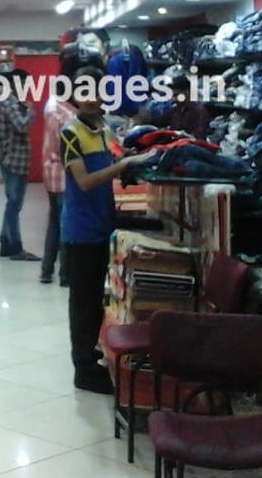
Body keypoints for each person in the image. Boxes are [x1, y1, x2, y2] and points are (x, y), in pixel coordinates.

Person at [60, 67, 153, 393]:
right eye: (83, 91)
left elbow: (114, 160)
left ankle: (91, 355)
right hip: (82, 229)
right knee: (83, 302)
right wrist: (123, 166)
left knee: (96, 299)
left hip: (102, 224)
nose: (90, 98)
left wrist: (130, 158)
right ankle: (83, 369)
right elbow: (84, 181)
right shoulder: (70, 133)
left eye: (96, 91)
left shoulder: (104, 128)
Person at [0, 69, 39, 260]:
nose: (25, 87)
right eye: (22, 83)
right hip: (14, 159)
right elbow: (21, 125)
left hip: (13, 158)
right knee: (14, 204)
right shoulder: (10, 102)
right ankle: (14, 247)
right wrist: (30, 110)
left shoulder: (7, 100)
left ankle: (5, 243)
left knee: (13, 204)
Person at [40, 80, 76, 285]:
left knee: (54, 223)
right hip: (63, 175)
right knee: (66, 226)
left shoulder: (51, 105)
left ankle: (46, 270)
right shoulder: (67, 116)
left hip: (50, 171)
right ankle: (65, 274)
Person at [164, 74, 209, 139]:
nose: (173, 99)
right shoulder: (174, 110)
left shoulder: (199, 111)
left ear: (187, 92)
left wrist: (183, 136)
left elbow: (198, 138)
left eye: (176, 95)